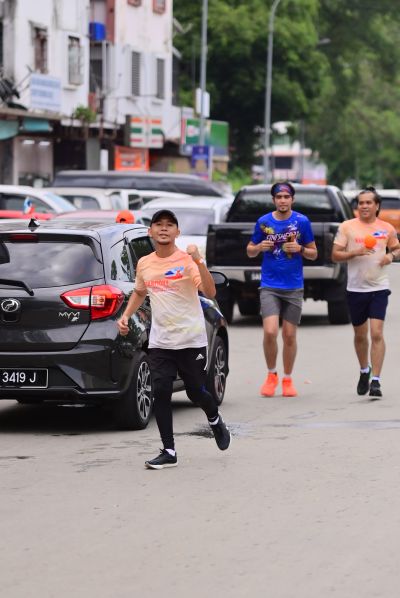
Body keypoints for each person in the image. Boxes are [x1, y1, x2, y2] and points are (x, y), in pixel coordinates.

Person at [117, 209, 231, 469]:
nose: (164, 229)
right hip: (161, 341)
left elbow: (210, 291)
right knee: (161, 391)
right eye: (159, 224)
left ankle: (214, 419)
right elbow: (139, 292)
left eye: (170, 225)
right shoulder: (145, 263)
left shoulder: (187, 261)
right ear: (150, 231)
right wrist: (125, 316)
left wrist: (199, 261)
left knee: (195, 391)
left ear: (177, 232)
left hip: (191, 340)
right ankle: (169, 450)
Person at [246, 182, 318, 397]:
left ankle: (287, 378)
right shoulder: (263, 222)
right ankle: (271, 375)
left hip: (294, 286)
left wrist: (300, 249)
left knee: (289, 335)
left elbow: (314, 253)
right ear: (273, 200)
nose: (283, 200)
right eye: (279, 197)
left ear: (292, 199)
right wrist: (259, 247)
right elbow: (249, 250)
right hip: (270, 285)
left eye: (286, 197)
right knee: (270, 331)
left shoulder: (302, 222)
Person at [332, 186, 400, 398]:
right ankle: (364, 370)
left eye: (368, 202)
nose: (364, 206)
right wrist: (355, 252)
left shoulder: (386, 228)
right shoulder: (347, 227)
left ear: (377, 206)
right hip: (356, 289)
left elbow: (397, 248)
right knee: (360, 336)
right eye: (361, 203)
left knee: (376, 333)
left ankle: (376, 381)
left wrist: (390, 256)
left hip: (379, 287)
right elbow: (335, 255)